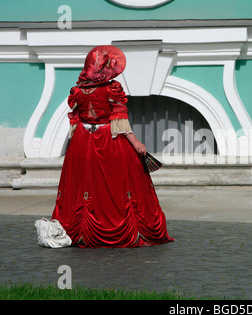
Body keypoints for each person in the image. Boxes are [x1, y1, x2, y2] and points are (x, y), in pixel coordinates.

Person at [51, 45, 174, 247]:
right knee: (117, 183)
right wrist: (136, 143)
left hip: (83, 141)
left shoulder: (77, 91)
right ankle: (122, 224)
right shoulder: (111, 89)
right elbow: (119, 119)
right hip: (109, 140)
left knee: (85, 184)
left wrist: (77, 146)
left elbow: (75, 121)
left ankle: (81, 229)